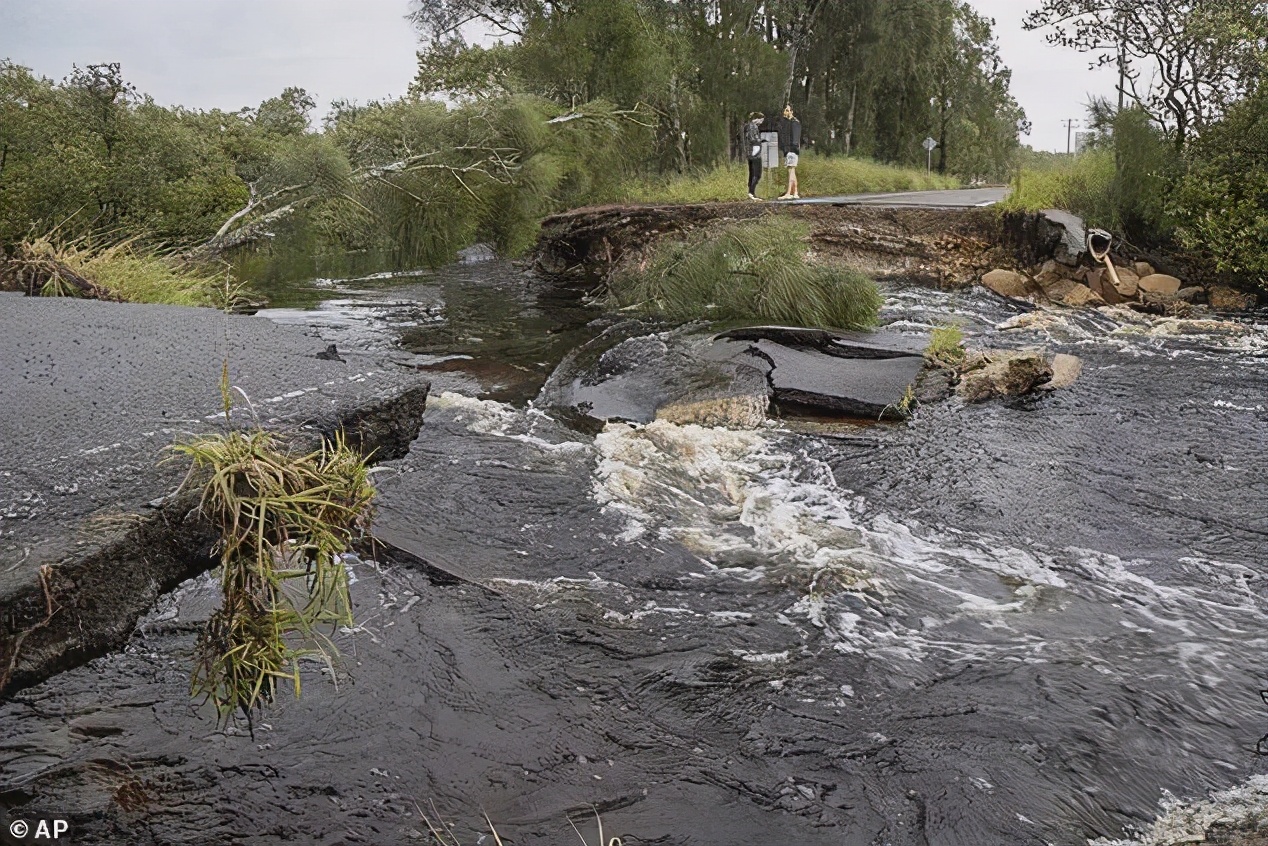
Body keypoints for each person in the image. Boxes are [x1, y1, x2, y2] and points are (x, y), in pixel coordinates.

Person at [777, 104, 801, 200]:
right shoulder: (789, 123)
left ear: (791, 111)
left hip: (792, 150)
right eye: (784, 110)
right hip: (789, 150)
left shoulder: (794, 123)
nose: (785, 112)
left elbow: (795, 138)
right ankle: (795, 192)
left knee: (791, 171)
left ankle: (788, 193)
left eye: (787, 110)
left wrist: (791, 149)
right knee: (792, 171)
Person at [744, 112, 764, 200]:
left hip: (750, 153)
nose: (761, 122)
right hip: (755, 153)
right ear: (757, 119)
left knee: (752, 173)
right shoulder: (753, 127)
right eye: (761, 120)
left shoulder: (748, 126)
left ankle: (751, 192)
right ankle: (751, 192)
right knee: (757, 173)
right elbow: (754, 139)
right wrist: (760, 140)